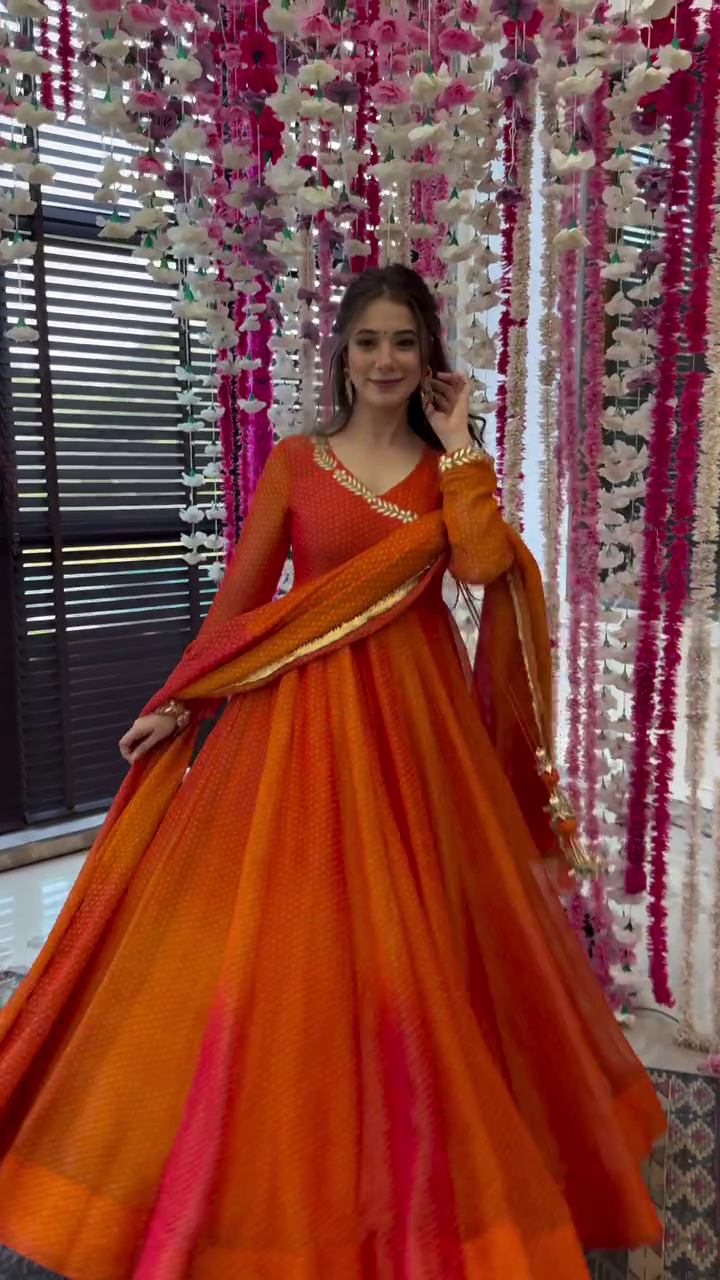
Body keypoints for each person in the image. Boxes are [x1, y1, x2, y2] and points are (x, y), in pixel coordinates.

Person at [0, 266, 663, 1280]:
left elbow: (481, 565)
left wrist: (463, 443)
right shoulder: (298, 462)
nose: (386, 359)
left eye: (404, 341)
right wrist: (180, 699)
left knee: (417, 939)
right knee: (281, 935)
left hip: (417, 734)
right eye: (368, 341)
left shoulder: (447, 469)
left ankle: (409, 1156)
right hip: (295, 729)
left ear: (428, 356)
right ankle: (260, 1138)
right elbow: (243, 596)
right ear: (343, 355)